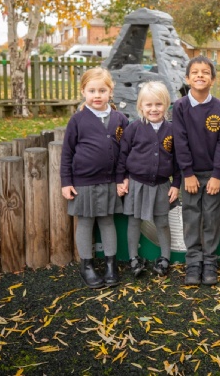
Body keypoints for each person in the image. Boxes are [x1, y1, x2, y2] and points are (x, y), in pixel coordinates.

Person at [60, 67, 128, 289]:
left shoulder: (120, 119)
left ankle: (110, 264)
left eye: (102, 90)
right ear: (83, 92)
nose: (97, 95)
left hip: (110, 181)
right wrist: (66, 182)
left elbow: (126, 152)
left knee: (107, 221)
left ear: (110, 91)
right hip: (83, 182)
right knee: (86, 222)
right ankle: (87, 266)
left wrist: (123, 178)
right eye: (92, 91)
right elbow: (67, 153)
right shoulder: (78, 120)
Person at [172, 56, 220, 286]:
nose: (200, 75)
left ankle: (209, 262)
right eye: (195, 72)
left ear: (213, 80)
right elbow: (180, 141)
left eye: (205, 72)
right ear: (187, 78)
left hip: (212, 175)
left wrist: (217, 175)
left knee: (211, 217)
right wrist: (187, 173)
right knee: (191, 216)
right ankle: (193, 263)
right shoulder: (180, 107)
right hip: (190, 175)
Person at [116, 81, 181, 277]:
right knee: (134, 221)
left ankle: (165, 257)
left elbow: (178, 161)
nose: (154, 109)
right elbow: (122, 156)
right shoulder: (133, 128)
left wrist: (176, 184)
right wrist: (121, 179)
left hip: (162, 185)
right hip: (136, 184)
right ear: (141, 106)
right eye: (149, 104)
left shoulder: (172, 130)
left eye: (158, 104)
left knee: (162, 222)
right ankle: (134, 258)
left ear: (166, 105)